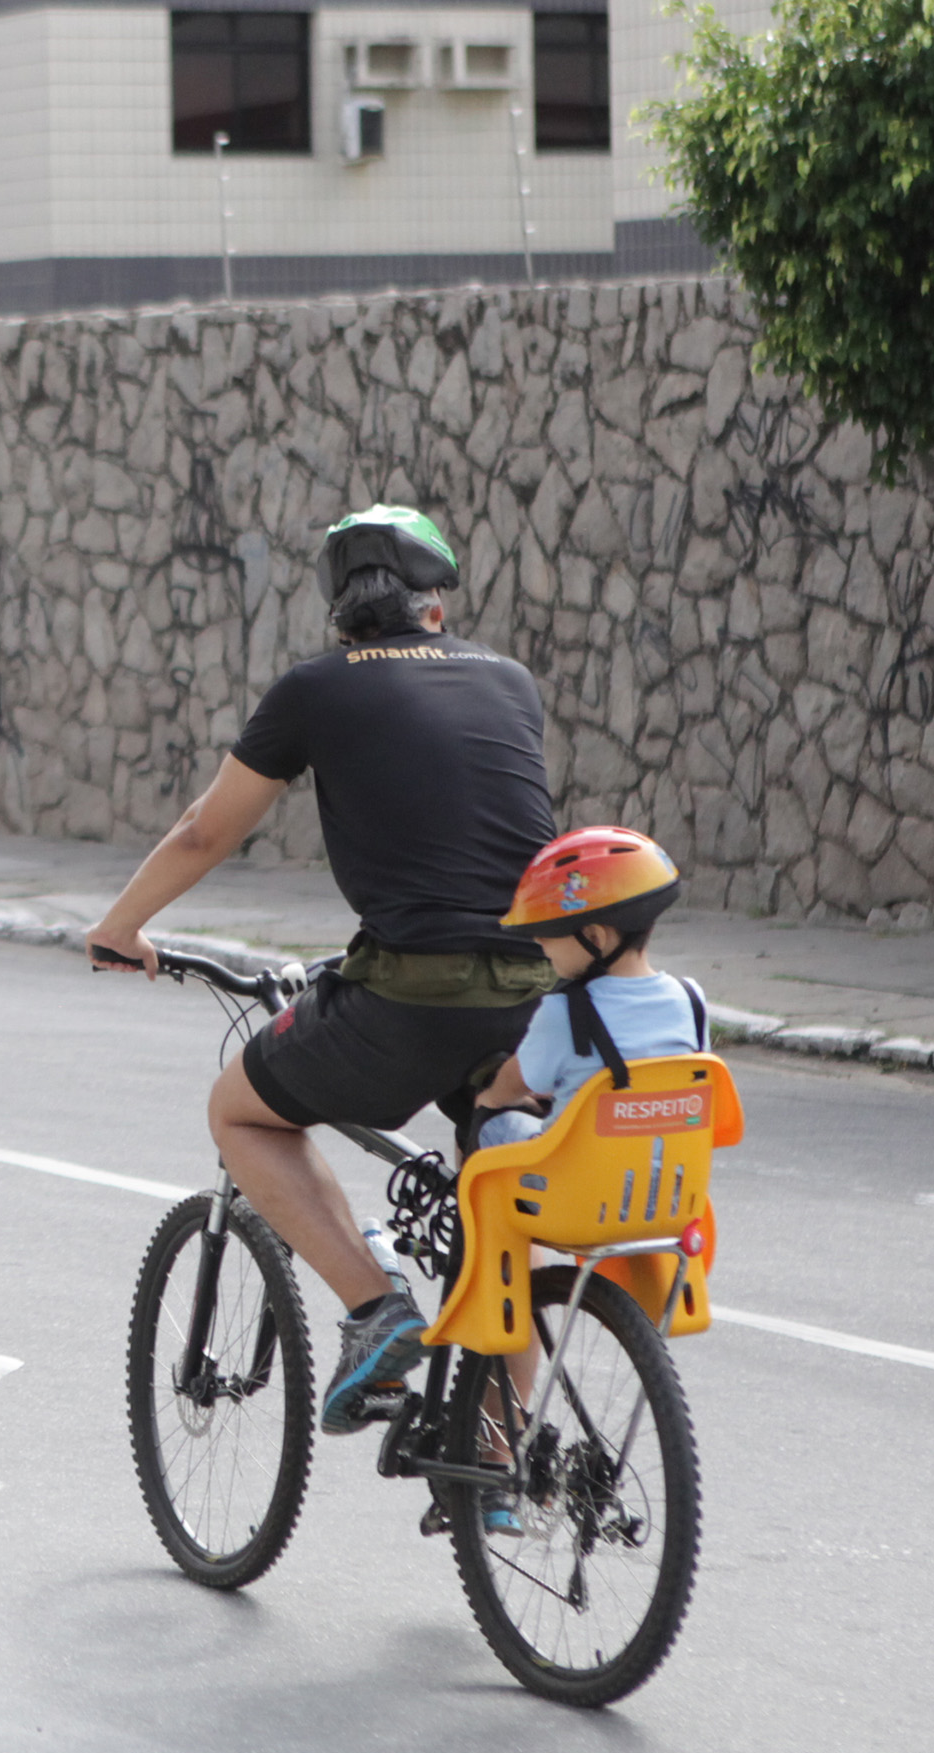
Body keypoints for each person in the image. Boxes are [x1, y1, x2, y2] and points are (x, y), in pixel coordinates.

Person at [88, 505, 557, 1436]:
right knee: (495, 1218)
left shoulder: (316, 689)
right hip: (539, 999)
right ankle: (498, 1461)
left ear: (343, 615)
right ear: (436, 606)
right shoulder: (509, 680)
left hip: (412, 992)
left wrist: (121, 927)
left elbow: (206, 830)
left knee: (240, 1110)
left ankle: (379, 1313)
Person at [472, 827, 706, 1147]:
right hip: (670, 1188)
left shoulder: (564, 1013)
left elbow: (512, 1085)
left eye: (548, 933)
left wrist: (490, 1097)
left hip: (576, 1188)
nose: (539, 943)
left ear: (595, 938)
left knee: (487, 1116)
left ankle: (469, 1196)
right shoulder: (692, 1001)